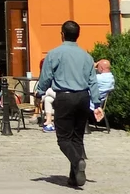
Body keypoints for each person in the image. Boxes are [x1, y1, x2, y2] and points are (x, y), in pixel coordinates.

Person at [36, 20, 105, 188]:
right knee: (77, 137)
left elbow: (46, 77)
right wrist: (97, 103)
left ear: (62, 34)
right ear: (78, 35)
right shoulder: (87, 57)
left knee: (63, 139)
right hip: (83, 98)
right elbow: (93, 82)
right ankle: (74, 177)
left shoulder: (54, 54)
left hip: (65, 97)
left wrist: (39, 93)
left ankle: (77, 161)